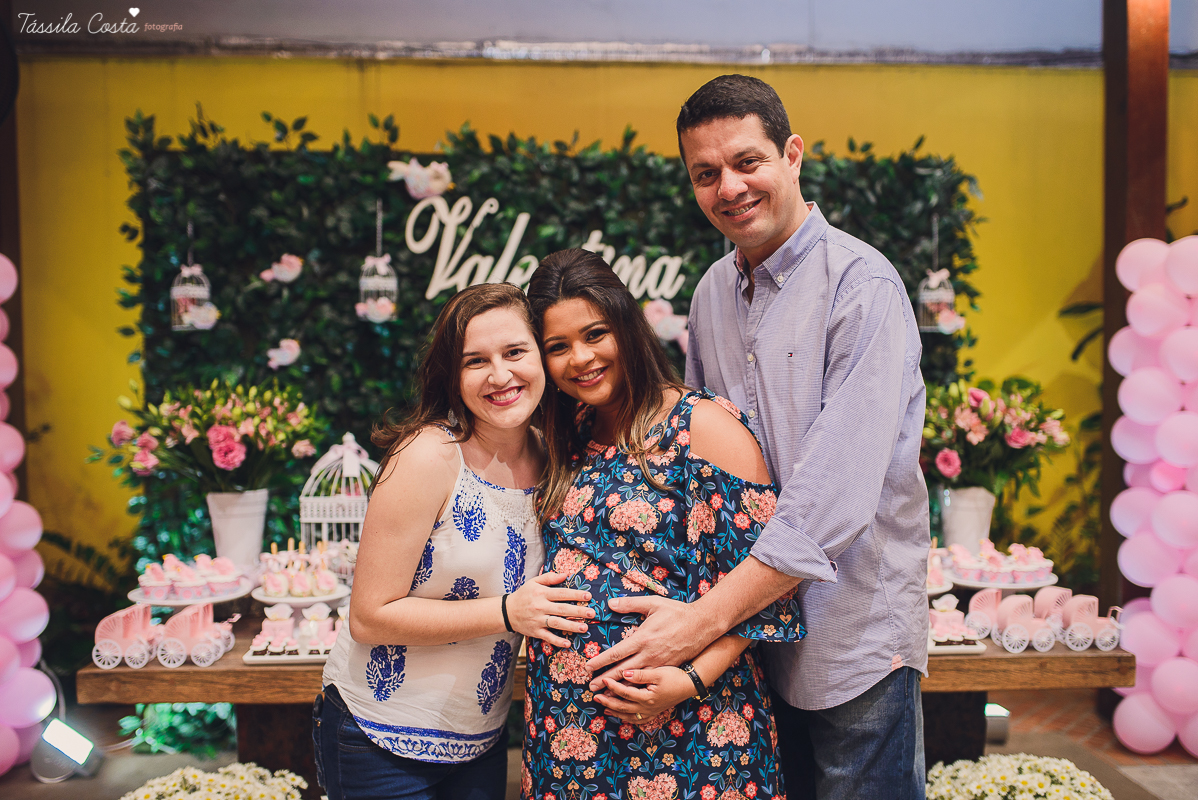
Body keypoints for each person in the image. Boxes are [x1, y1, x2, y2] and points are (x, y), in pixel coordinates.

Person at [585, 75, 931, 799]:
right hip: (750, 644)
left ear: (793, 154)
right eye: (705, 174)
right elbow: (698, 474)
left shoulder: (861, 286)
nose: (729, 187)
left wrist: (696, 625)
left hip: (851, 637)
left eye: (747, 162)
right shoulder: (711, 292)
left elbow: (827, 507)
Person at [521, 248, 804, 800]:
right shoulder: (566, 433)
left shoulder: (703, 426)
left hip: (697, 730)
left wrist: (688, 679)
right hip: (570, 740)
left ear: (627, 327)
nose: (580, 358)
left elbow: (773, 587)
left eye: (595, 334)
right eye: (557, 347)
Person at [315, 283, 593, 800]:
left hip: (481, 740)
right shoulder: (427, 455)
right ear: (453, 376)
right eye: (475, 361)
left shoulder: (555, 452)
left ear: (542, 357)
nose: (500, 375)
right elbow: (369, 617)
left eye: (515, 352)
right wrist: (510, 613)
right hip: (379, 738)